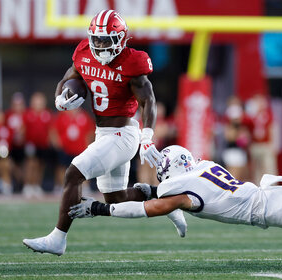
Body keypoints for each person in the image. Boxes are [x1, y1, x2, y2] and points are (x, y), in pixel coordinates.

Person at [23, 10, 186, 256]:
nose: (99, 45)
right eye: (96, 39)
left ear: (121, 39)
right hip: (103, 133)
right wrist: (59, 100)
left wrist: (147, 136)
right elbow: (68, 77)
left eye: (106, 39)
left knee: (74, 173)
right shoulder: (84, 53)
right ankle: (166, 201)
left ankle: (58, 238)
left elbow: (148, 100)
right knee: (116, 199)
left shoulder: (132, 61)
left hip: (123, 134)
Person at [70, 145, 282, 246]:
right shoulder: (204, 167)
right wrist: (151, 189)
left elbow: (150, 208)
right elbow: (170, 192)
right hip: (273, 206)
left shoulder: (180, 191)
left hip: (275, 207)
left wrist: (99, 209)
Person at [23, 92, 52, 197]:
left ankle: (36, 185)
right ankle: (28, 185)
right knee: (31, 164)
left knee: (40, 165)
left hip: (43, 145)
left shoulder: (47, 114)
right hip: (31, 144)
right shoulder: (28, 114)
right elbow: (23, 129)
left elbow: (50, 129)